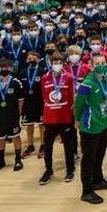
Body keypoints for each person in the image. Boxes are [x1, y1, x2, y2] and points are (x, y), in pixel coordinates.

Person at [73, 51, 107, 204]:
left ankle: (98, 179)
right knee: (88, 158)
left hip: (103, 123)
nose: (101, 66)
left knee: (100, 153)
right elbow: (78, 104)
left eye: (103, 63)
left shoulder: (105, 80)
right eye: (98, 64)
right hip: (90, 126)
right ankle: (87, 190)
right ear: (91, 65)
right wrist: (77, 119)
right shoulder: (86, 84)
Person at [40, 51, 77, 185]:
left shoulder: (68, 77)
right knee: (48, 146)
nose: (57, 65)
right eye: (55, 63)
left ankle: (70, 169)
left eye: (60, 63)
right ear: (51, 63)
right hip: (50, 118)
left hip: (65, 116)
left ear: (63, 64)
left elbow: (71, 97)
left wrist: (72, 115)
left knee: (68, 145)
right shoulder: (44, 78)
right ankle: (48, 170)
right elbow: (44, 97)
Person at [0, 56, 25, 173]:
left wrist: (19, 115)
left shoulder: (16, 83)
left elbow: (20, 100)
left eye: (6, 67)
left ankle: (18, 159)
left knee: (15, 136)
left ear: (11, 68)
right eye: (2, 67)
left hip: (13, 115)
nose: (4, 69)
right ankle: (1, 161)